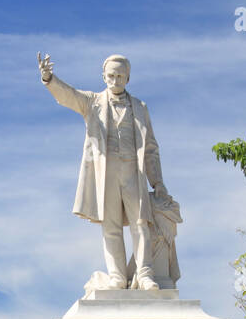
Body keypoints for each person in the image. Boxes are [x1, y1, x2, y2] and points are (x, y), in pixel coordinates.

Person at [38, 52, 170, 291]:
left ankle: (146, 274)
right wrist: (49, 78)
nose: (115, 80)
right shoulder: (92, 102)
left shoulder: (140, 108)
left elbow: (150, 148)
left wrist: (157, 182)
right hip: (106, 170)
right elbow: (69, 95)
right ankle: (117, 275)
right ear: (104, 76)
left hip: (133, 170)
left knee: (141, 223)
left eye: (120, 76)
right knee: (111, 225)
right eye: (111, 75)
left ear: (128, 78)